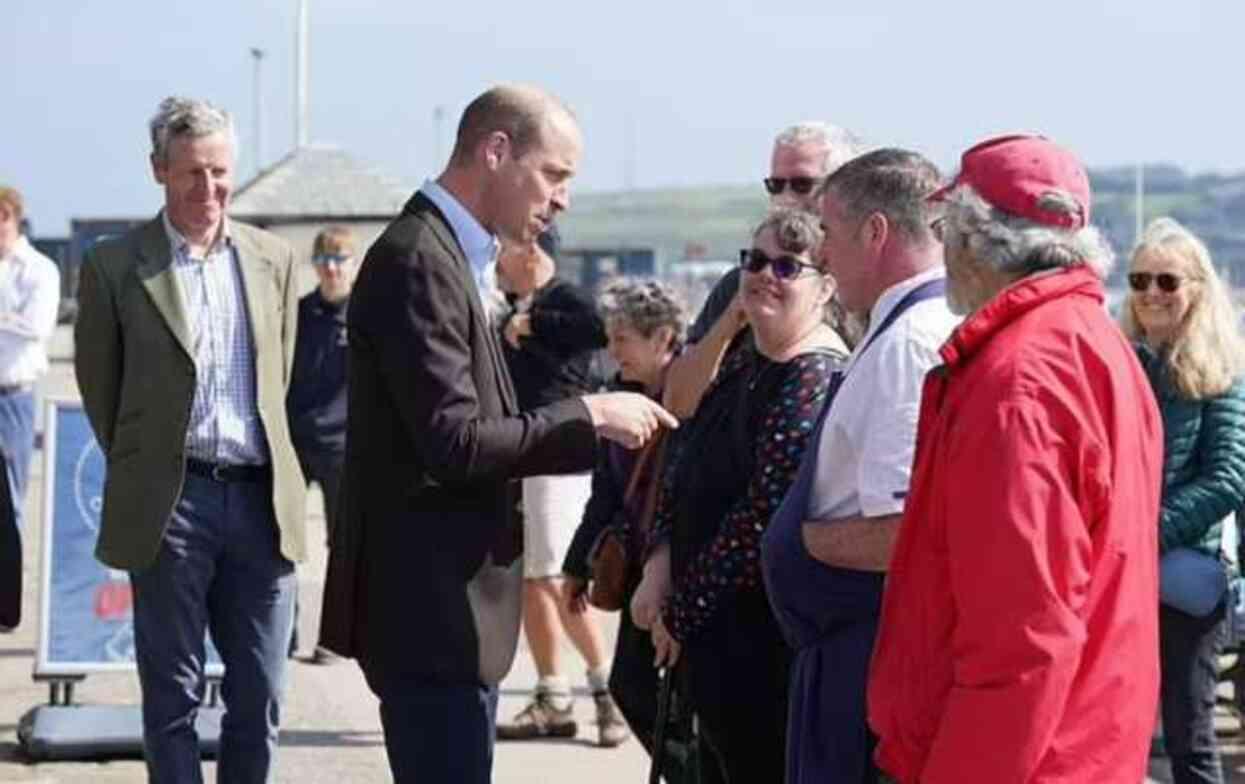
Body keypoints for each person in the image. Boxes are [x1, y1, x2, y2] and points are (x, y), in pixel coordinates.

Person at [317, 84, 676, 784]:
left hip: (451, 615)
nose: (562, 198)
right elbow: (454, 442)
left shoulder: (451, 254)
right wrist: (590, 415)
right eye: (555, 174)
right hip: (430, 613)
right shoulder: (420, 257)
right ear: (495, 150)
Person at [868, 135, 1165, 783]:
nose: (943, 247)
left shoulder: (1016, 379)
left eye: (947, 228)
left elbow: (1021, 634)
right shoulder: (1097, 346)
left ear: (974, 239)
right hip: (1085, 741)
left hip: (1021, 759)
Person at [74, 96, 306, 784]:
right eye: (192, 174)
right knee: (171, 697)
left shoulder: (274, 260)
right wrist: (153, 471)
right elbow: (102, 393)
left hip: (262, 506)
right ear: (158, 171)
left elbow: (281, 378)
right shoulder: (116, 266)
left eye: (221, 172)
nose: (209, 189)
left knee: (261, 692)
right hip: (173, 507)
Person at [631, 207, 848, 781]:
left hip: (762, 641)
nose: (765, 275)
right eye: (755, 261)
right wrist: (659, 562)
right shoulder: (745, 357)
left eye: (786, 266)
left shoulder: (813, 375)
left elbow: (761, 516)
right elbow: (685, 453)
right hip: (712, 634)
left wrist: (682, 613)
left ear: (826, 287)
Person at [764, 149, 958, 783]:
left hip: (864, 651)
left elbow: (905, 532)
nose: (822, 255)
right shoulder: (900, 327)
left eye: (829, 234)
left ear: (875, 233)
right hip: (846, 644)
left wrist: (805, 541)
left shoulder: (909, 343)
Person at [491, 226, 629, 746]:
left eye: (504, 251)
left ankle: (604, 690)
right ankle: (554, 695)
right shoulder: (513, 303)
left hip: (559, 457)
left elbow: (595, 326)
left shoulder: (563, 298)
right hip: (527, 455)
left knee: (555, 581)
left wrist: (532, 324)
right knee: (532, 583)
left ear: (530, 251)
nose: (499, 262)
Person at [1121, 216, 1245, 783]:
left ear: (1197, 288)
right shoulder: (1121, 362)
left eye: (1167, 282)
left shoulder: (1223, 373)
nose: (1151, 293)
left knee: (1190, 737)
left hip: (1179, 576)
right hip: (1119, 573)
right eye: (1140, 280)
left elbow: (1227, 478)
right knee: (1119, 730)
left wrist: (1145, 537)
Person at [561, 278, 689, 767]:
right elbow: (606, 492)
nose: (613, 352)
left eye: (622, 339)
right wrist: (578, 566)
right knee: (630, 686)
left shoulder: (701, 400)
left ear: (662, 338)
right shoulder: (619, 397)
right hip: (637, 567)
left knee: (679, 699)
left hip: (681, 567)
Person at [663, 122, 866, 421]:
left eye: (801, 185)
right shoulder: (745, 282)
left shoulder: (865, 287)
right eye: (776, 185)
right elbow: (677, 402)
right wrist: (731, 321)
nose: (785, 199)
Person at [286, 225, 359, 664]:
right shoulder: (295, 315)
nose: (331, 269)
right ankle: (284, 635)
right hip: (295, 441)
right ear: (314, 265)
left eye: (340, 260)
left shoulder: (368, 317)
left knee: (342, 544)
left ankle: (333, 639)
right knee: (282, 542)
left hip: (343, 447)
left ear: (353, 265)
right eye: (324, 260)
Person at [0, 185, 60, 530]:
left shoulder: (39, 269)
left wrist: (10, 322)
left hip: (12, 397)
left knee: (10, 499)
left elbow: (37, 326)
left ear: (9, 218)